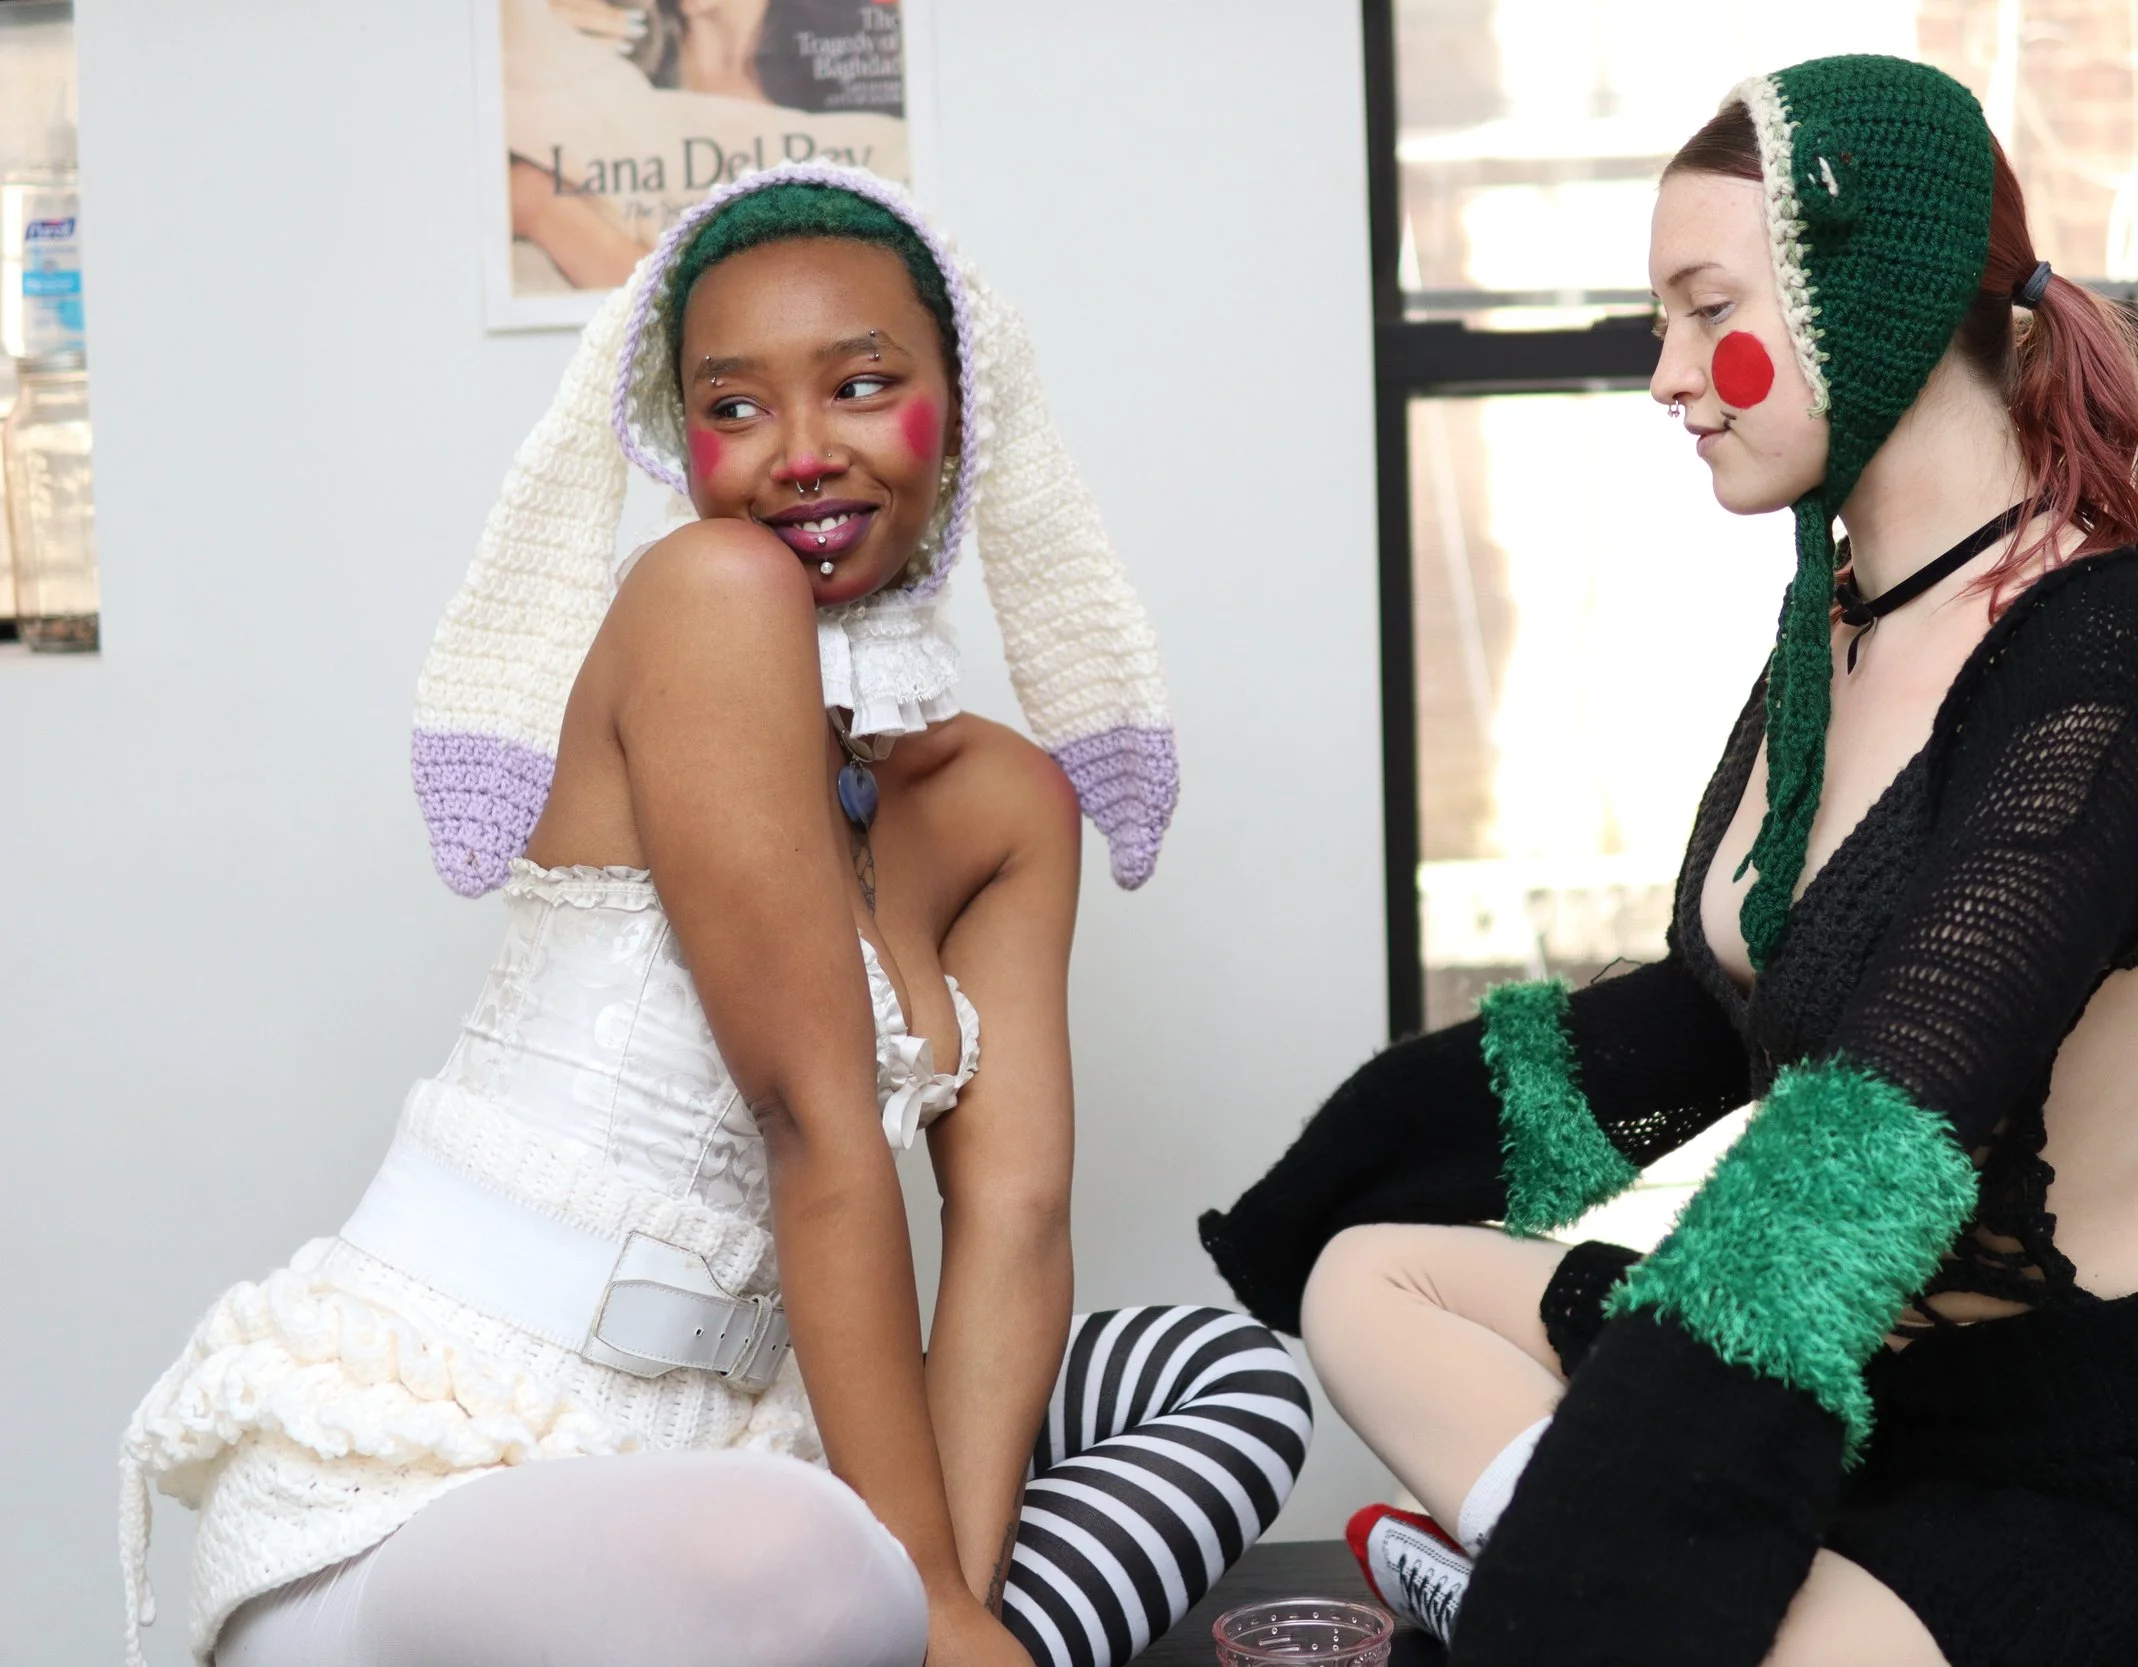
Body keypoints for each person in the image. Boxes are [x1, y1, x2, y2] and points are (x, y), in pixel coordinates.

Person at [1200, 55, 2138, 1667]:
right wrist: (1368, 1155)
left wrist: (1632, 1516)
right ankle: (1588, 1583)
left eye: (1698, 305)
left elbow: (1899, 1097)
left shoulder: (2098, 647)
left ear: (1867, 297)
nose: (1665, 372)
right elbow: (1728, 996)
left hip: (2093, 1442)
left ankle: (1600, 1588)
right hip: (1880, 1388)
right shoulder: (1839, 626)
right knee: (1370, 1285)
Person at [122, 161, 1296, 1667]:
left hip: (747, 1453)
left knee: (1218, 1373)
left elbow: (1013, 1221)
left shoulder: (1006, 806)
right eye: (733, 409)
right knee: (810, 1563)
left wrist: (950, 1604)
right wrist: (917, 1601)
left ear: (962, 409)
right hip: (440, 1491)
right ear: (684, 444)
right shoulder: (711, 597)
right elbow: (813, 1117)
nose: (800, 454)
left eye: (865, 385)